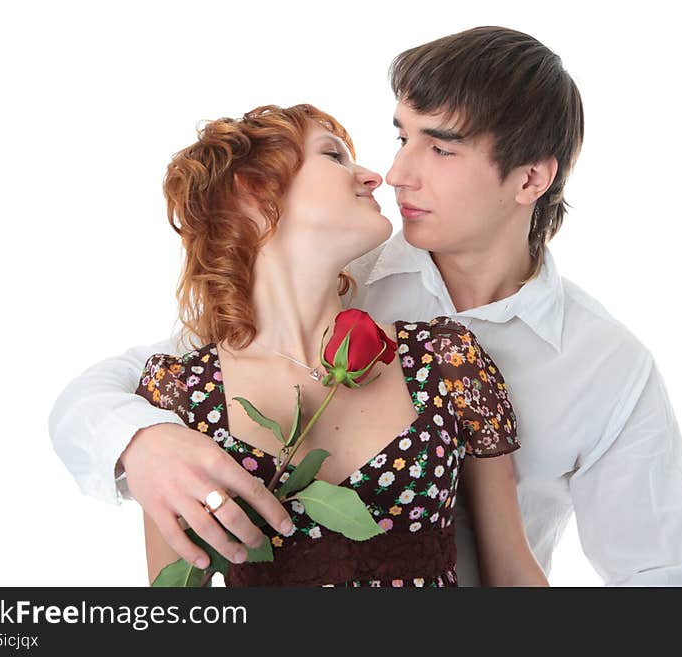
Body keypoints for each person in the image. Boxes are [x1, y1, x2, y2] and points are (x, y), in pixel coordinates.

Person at [49, 26, 682, 586]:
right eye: (402, 137)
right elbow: (114, 389)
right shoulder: (339, 272)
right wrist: (142, 441)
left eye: (441, 147)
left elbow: (657, 581)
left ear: (530, 178)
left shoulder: (604, 366)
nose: (393, 174)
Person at [117, 102, 546, 586]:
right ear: (253, 190)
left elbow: (512, 575)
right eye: (334, 155)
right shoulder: (180, 395)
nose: (372, 177)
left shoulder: (444, 359)